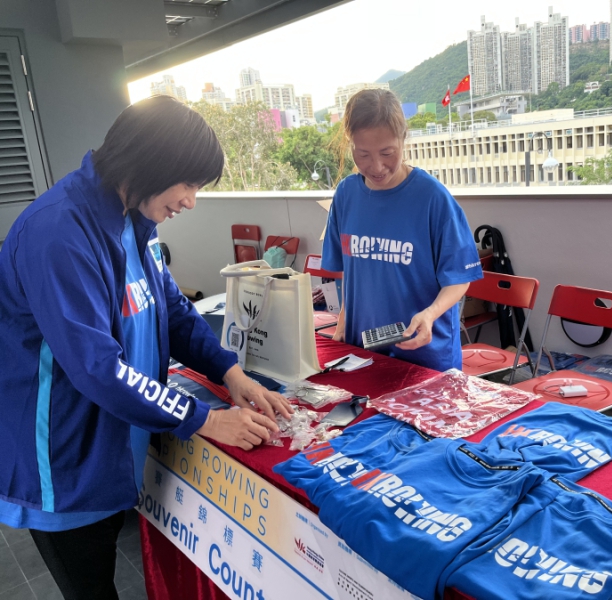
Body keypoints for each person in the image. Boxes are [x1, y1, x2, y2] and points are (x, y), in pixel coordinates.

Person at [0, 95, 292, 599]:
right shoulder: (59, 233)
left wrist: (230, 373)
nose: (191, 201)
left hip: (114, 442)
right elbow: (98, 368)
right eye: (188, 184)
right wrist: (204, 419)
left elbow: (172, 311)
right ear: (150, 164)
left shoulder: (136, 219)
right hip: (65, 460)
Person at [322, 89, 482, 371]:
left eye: (387, 153)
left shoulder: (432, 198)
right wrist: (343, 324)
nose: (377, 166)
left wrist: (430, 314)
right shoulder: (346, 195)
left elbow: (459, 278)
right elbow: (352, 274)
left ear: (403, 138)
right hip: (364, 353)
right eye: (363, 154)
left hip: (424, 356)